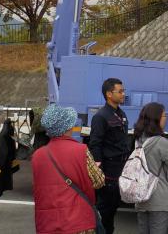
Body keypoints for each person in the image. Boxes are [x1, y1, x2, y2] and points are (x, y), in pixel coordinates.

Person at [32, 104, 105, 234]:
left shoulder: (38, 155)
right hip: (79, 222)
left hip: (47, 223)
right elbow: (98, 181)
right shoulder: (80, 150)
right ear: (68, 126)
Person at [133, 102, 168, 234]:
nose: (167, 118)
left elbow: (158, 156)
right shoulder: (160, 141)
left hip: (142, 196)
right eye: (164, 115)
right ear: (157, 119)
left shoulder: (140, 139)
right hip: (158, 200)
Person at [89, 78, 131, 234]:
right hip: (108, 171)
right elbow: (95, 144)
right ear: (108, 94)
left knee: (113, 208)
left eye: (123, 91)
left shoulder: (121, 113)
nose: (123, 94)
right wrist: (99, 171)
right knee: (104, 210)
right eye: (120, 91)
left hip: (121, 169)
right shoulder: (101, 116)